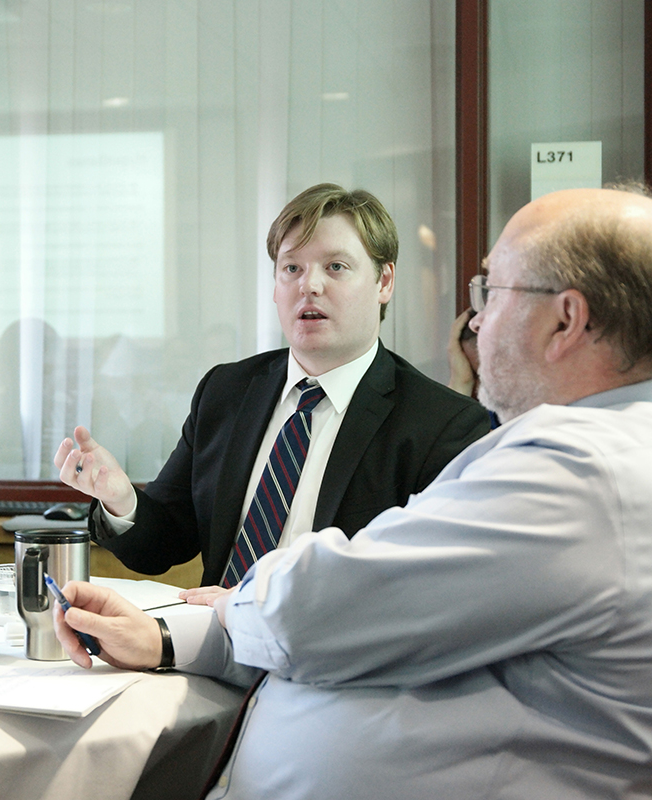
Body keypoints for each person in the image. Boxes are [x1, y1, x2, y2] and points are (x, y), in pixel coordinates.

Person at [53, 186, 652, 799]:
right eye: (291, 268)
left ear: (567, 319)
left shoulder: (557, 462)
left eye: (491, 293)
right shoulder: (231, 390)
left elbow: (334, 611)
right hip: (219, 677)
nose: (475, 322)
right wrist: (139, 543)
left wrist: (219, 613)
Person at [55, 184, 491, 588]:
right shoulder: (226, 391)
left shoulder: (442, 426)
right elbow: (165, 543)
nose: (310, 285)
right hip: (206, 649)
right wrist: (120, 498)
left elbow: (422, 592)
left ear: (384, 281)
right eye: (292, 268)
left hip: (327, 663)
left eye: (336, 267)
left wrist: (261, 615)